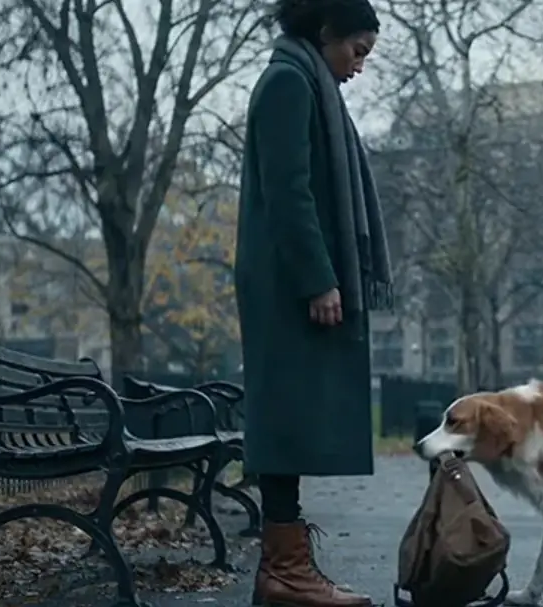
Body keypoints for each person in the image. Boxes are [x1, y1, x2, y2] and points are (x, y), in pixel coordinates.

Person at [234, 0, 393, 604]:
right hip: (286, 283)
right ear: (326, 32)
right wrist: (318, 280)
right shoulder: (288, 83)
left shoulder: (302, 81)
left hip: (290, 278)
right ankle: (284, 570)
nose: (359, 65)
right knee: (286, 417)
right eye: (357, 50)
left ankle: (285, 566)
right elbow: (288, 191)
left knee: (292, 415)